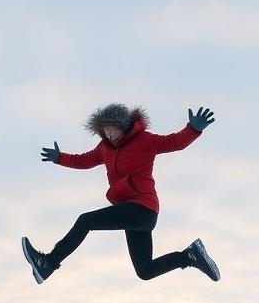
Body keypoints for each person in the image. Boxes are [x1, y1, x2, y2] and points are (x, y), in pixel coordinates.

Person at [22, 102, 221, 284]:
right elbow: (84, 161)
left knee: (85, 221)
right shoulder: (104, 148)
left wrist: (193, 129)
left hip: (143, 208)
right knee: (145, 271)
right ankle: (190, 256)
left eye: (112, 129)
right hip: (130, 212)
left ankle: (48, 262)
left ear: (122, 125)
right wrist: (60, 157)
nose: (108, 135)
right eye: (105, 131)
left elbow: (173, 142)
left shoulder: (144, 140)